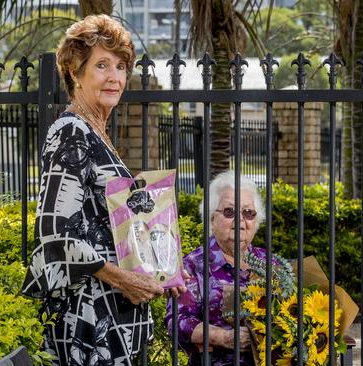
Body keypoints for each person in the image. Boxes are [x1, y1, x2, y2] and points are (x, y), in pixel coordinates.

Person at [21, 15, 185, 366]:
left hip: (114, 318)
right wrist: (122, 279)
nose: (115, 76)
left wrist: (161, 270)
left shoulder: (95, 134)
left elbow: (109, 229)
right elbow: (54, 234)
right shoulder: (71, 133)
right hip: (89, 321)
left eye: (121, 66)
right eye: (101, 65)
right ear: (74, 73)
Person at [166, 171, 275, 366]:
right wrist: (223, 337)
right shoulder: (193, 265)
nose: (240, 221)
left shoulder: (271, 264)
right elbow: (178, 322)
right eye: (229, 212)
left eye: (248, 213)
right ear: (211, 218)